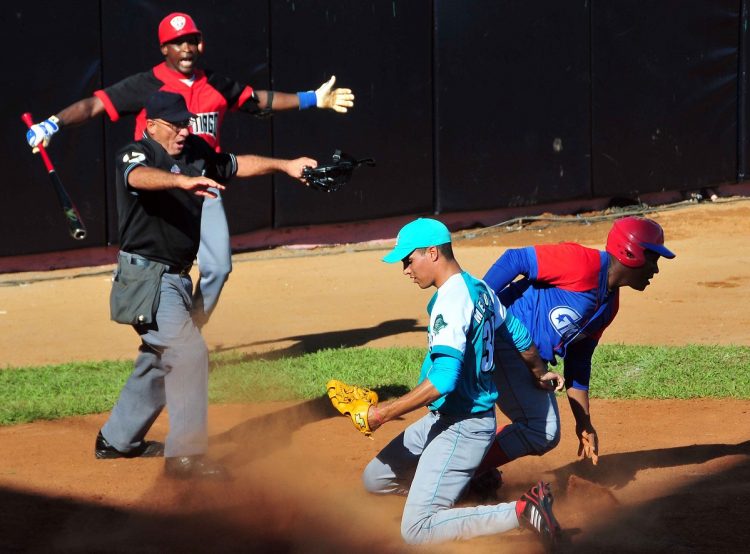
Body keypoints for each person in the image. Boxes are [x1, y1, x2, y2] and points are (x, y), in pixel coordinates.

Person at [25, 11, 354, 326]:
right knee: (162, 267)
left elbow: (257, 100)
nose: (186, 48)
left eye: (192, 41)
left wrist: (312, 98)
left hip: (204, 184)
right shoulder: (146, 85)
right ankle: (166, 334)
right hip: (161, 191)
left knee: (219, 267)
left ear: (201, 44)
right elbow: (95, 104)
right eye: (177, 42)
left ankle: (190, 330)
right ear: (164, 48)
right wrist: (53, 124)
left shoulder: (214, 83)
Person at [95, 90, 317, 480]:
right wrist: (179, 184)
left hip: (177, 278)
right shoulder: (136, 153)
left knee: (159, 356)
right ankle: (186, 458)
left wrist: (286, 165)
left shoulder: (196, 151)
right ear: (152, 125)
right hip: (145, 276)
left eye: (187, 122)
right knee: (189, 353)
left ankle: (117, 439)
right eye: (175, 124)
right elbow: (137, 177)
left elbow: (234, 164)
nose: (184, 130)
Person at [348, 218, 561, 546]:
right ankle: (460, 488)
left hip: (464, 428)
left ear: (432, 253)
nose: (405, 269)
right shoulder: (480, 288)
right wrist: (539, 372)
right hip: (442, 419)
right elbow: (518, 336)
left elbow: (443, 380)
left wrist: (383, 414)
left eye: (408, 260)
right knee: (376, 479)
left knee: (416, 530)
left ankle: (522, 510)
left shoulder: (452, 300)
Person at [473, 216, 676, 489]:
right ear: (631, 253)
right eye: (653, 259)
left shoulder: (608, 306)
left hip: (528, 360)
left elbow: (578, 363)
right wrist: (474, 306)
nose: (656, 270)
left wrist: (584, 423)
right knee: (541, 430)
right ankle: (463, 471)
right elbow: (515, 259)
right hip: (503, 339)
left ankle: (469, 465)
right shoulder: (583, 263)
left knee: (539, 430)